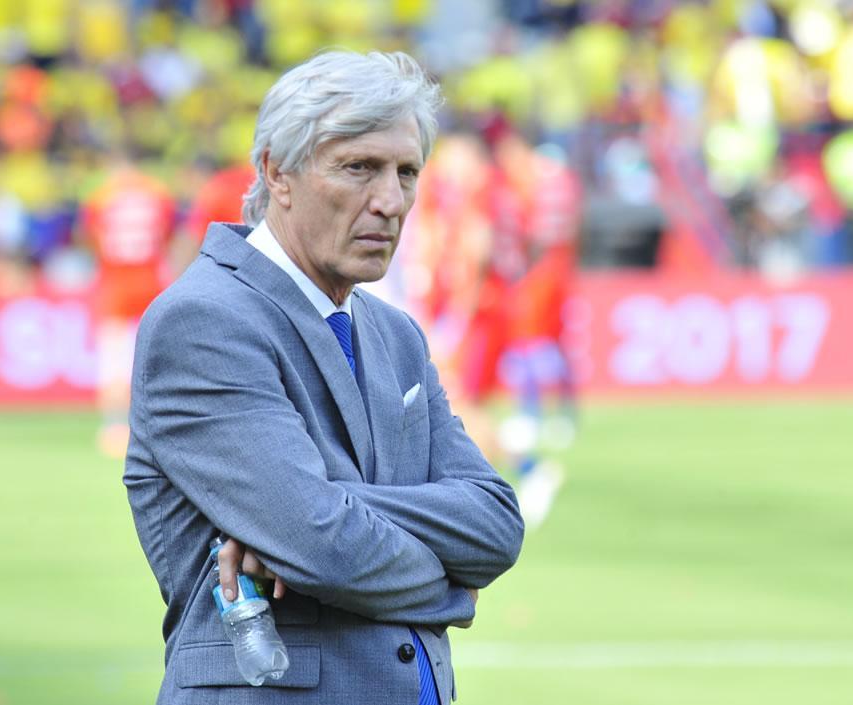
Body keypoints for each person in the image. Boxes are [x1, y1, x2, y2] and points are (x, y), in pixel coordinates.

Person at [124, 51, 524, 704]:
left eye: (406, 172)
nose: (390, 201)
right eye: (359, 168)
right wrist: (453, 584)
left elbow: (497, 522)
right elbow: (322, 541)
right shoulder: (203, 320)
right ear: (277, 171)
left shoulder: (394, 333)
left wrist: (328, 508)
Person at [81, 150, 177, 457]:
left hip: (115, 283)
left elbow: (89, 237)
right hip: (151, 280)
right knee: (156, 356)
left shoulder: (100, 196)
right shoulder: (157, 192)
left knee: (113, 359)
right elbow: (168, 235)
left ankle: (113, 427)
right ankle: (164, 423)